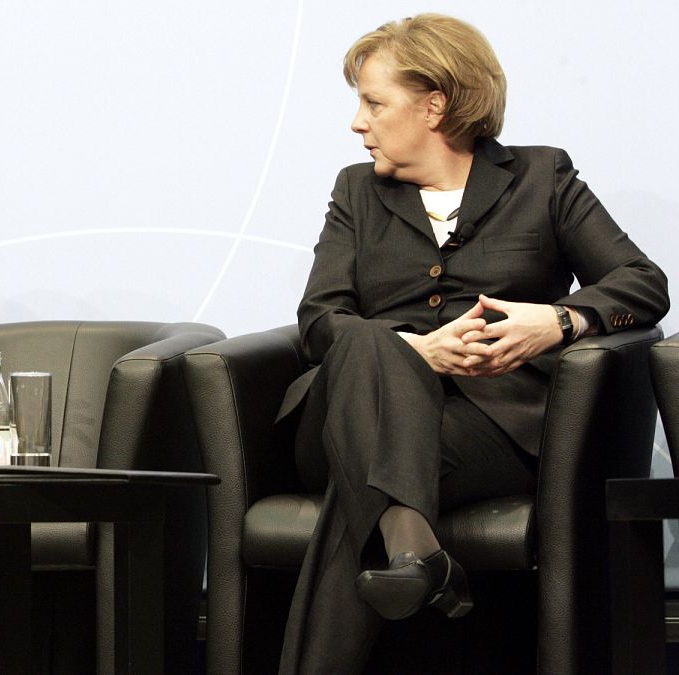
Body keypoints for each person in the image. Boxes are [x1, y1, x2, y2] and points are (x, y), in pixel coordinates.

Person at [276, 14, 669, 673]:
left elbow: (643, 282)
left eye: (373, 103)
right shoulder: (356, 190)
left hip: (487, 426)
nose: (357, 123)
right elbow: (320, 319)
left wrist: (560, 320)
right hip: (348, 407)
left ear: (434, 106)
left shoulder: (543, 178)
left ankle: (413, 552)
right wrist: (416, 351)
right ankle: (415, 548)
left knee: (365, 481)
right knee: (370, 342)